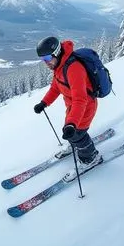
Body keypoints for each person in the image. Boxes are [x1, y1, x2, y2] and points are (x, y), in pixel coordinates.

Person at [33, 36, 102, 175]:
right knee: (70, 132)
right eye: (43, 59)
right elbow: (56, 88)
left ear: (57, 53)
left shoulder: (74, 68)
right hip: (72, 108)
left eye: (47, 58)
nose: (46, 63)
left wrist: (71, 123)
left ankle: (91, 158)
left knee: (77, 134)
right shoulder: (59, 67)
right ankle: (74, 144)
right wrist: (44, 103)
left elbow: (80, 99)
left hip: (85, 107)